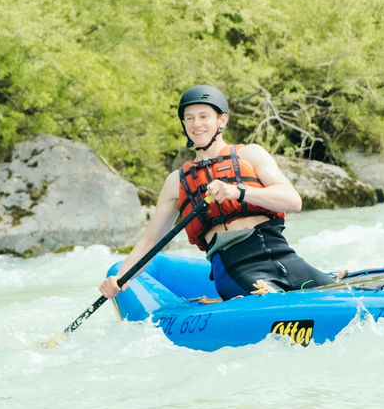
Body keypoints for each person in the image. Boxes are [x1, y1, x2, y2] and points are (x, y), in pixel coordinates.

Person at [99, 85, 336, 302]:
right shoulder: (176, 182)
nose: (196, 124)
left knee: (336, 294)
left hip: (282, 254)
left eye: (204, 117)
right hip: (235, 265)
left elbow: (293, 201)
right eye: (189, 118)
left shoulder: (251, 154)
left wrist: (238, 192)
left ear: (222, 120)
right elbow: (150, 242)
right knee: (276, 302)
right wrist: (120, 278)